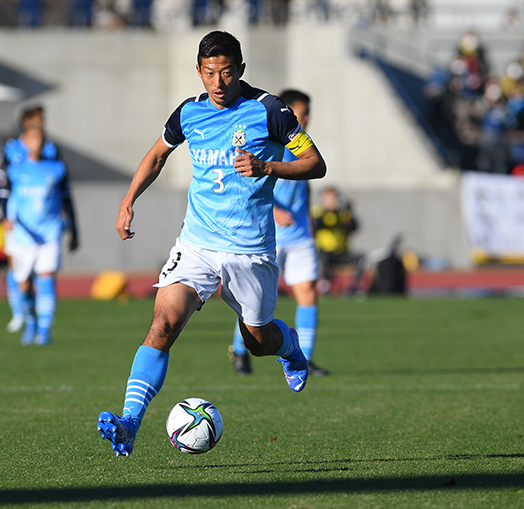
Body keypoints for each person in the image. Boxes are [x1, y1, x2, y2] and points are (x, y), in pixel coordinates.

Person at [96, 31, 327, 457]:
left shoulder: (271, 111)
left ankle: (289, 346)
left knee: (257, 341)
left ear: (240, 69)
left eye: (226, 72)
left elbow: (316, 163)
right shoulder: (189, 113)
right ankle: (129, 422)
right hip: (197, 244)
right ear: (199, 72)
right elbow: (157, 155)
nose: (218, 82)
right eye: (209, 73)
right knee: (163, 325)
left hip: (250, 250)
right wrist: (128, 201)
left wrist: (267, 166)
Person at [228, 89, 329, 377]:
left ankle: (304, 358)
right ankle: (239, 349)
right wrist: (274, 211)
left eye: (308, 113)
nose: (306, 119)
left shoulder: (304, 149)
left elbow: (304, 188)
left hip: (300, 237)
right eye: (301, 113)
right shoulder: (271, 144)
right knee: (255, 299)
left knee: (308, 294)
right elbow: (246, 186)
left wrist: (309, 226)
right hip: (268, 237)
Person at [0, 104, 77, 333]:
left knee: (46, 276)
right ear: (26, 125)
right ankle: (22, 316)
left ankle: (44, 329)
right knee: (21, 278)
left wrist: (72, 226)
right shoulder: (11, 155)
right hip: (21, 229)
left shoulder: (54, 158)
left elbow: (65, 193)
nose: (43, 124)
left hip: (49, 229)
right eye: (39, 120)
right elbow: (1, 188)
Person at [311, 186, 362, 294]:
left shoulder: (343, 213)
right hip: (325, 251)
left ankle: (354, 287)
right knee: (324, 260)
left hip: (342, 251)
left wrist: (349, 211)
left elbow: (354, 227)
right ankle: (324, 286)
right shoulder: (319, 212)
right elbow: (316, 225)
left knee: (361, 259)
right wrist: (328, 211)